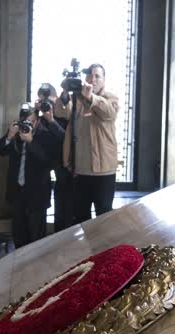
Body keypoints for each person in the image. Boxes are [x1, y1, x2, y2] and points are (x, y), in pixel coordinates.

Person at [57, 63, 119, 223]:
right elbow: (61, 111)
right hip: (81, 169)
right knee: (80, 216)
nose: (93, 79)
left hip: (103, 171)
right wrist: (65, 92)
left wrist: (91, 97)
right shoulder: (77, 99)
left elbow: (109, 113)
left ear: (104, 80)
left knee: (104, 216)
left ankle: (103, 241)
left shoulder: (110, 98)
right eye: (90, 76)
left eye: (97, 76)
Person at [0, 104, 64, 248]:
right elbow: (0, 150)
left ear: (37, 121)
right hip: (17, 192)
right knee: (18, 234)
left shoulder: (46, 135)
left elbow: (49, 161)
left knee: (36, 236)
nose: (28, 125)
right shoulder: (16, 132)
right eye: (25, 121)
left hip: (37, 193)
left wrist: (31, 141)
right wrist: (9, 136)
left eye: (31, 122)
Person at [38, 83, 72, 232]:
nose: (47, 106)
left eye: (50, 102)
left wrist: (52, 121)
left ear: (56, 99)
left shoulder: (63, 116)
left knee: (63, 201)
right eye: (43, 102)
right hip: (43, 164)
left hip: (62, 166)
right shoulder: (38, 119)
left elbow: (66, 139)